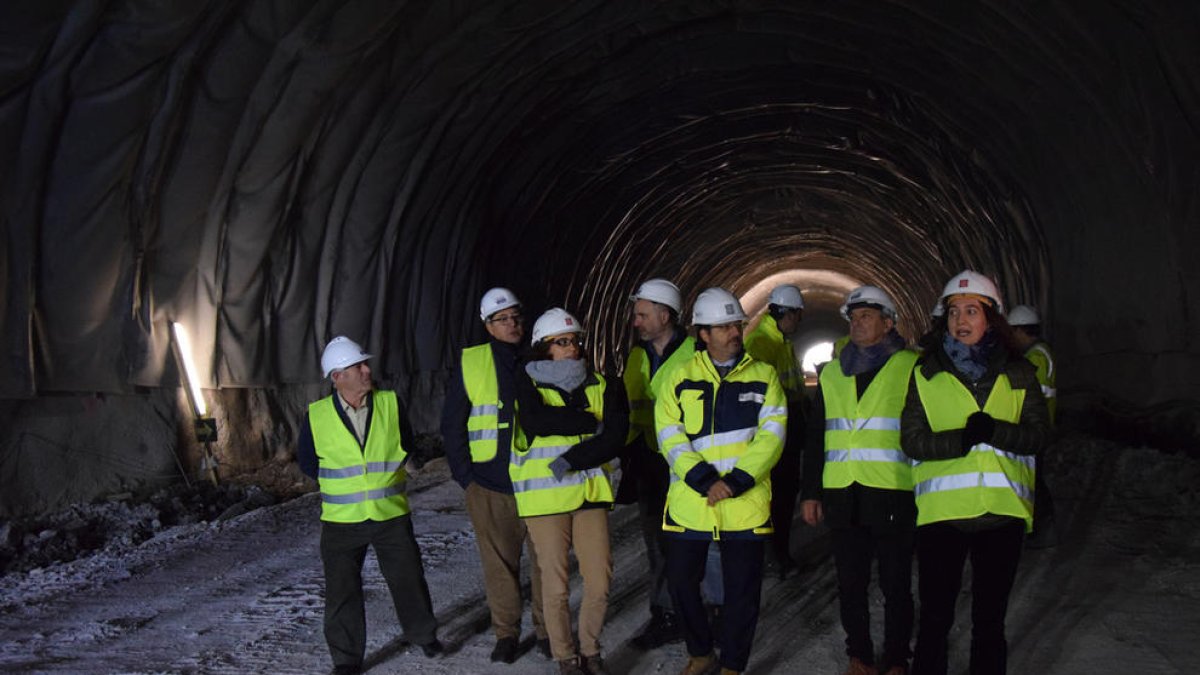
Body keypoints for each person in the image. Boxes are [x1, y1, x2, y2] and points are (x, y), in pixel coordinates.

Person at [902, 271, 1050, 675]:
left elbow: (1038, 436)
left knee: (989, 622)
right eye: (953, 312)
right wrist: (960, 441)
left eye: (971, 311)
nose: (960, 320)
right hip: (942, 516)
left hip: (1001, 514)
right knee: (935, 619)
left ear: (991, 318)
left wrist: (996, 432)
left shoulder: (1020, 373)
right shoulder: (925, 373)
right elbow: (912, 440)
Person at [656, 287, 786, 675]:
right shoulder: (679, 378)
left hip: (744, 506)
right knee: (680, 584)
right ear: (703, 334)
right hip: (690, 506)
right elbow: (669, 433)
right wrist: (703, 479)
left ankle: (732, 663)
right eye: (724, 326)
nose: (733, 332)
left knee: (743, 593)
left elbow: (772, 435)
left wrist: (736, 482)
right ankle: (700, 653)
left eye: (736, 325)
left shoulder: (764, 376)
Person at [297, 336, 442, 675]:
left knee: (408, 578)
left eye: (365, 364)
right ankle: (346, 659)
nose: (366, 370)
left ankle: (424, 635)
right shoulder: (316, 416)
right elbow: (307, 461)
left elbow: (405, 443)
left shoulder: (391, 403)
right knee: (342, 590)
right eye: (357, 366)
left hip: (390, 513)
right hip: (341, 520)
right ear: (337, 377)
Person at [800, 285, 918, 675]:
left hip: (892, 491)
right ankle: (859, 655)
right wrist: (811, 492)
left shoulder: (911, 367)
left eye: (867, 315)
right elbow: (816, 436)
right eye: (853, 316)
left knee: (896, 584)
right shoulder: (832, 373)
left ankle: (898, 657)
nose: (857, 322)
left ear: (888, 323)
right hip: (842, 494)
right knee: (851, 583)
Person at [513, 308, 629, 675]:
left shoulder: (603, 385)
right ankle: (566, 657)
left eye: (575, 340)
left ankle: (591, 650)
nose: (572, 347)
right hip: (545, 500)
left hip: (589, 494)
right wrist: (584, 421)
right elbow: (536, 422)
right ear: (543, 348)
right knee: (556, 584)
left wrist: (571, 459)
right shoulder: (525, 384)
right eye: (562, 342)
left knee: (599, 578)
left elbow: (614, 436)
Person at [440, 288, 548, 663]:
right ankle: (507, 633)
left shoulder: (541, 355)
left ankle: (548, 630)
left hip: (538, 482)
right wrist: (466, 477)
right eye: (503, 319)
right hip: (489, 484)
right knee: (499, 566)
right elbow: (452, 423)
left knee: (545, 563)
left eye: (517, 317)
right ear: (488, 326)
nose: (513, 324)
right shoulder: (473, 362)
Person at [623, 278, 695, 648]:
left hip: (686, 464)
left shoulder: (696, 355)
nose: (636, 322)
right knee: (657, 547)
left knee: (692, 543)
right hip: (648, 466)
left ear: (665, 315)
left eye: (643, 314)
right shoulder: (637, 356)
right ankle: (666, 616)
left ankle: (701, 612)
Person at [745, 283, 806, 579]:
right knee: (776, 497)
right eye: (799, 315)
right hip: (773, 432)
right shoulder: (761, 344)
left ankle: (777, 553)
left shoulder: (781, 341)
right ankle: (774, 556)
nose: (800, 321)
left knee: (784, 495)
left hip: (787, 427)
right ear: (788, 313)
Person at [1007, 304, 1058, 548]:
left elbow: (1023, 391)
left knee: (1034, 480)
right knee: (1034, 478)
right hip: (1037, 426)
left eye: (1011, 333)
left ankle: (1042, 528)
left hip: (1035, 428)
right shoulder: (1039, 352)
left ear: (1020, 331)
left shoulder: (1036, 357)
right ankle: (1040, 527)